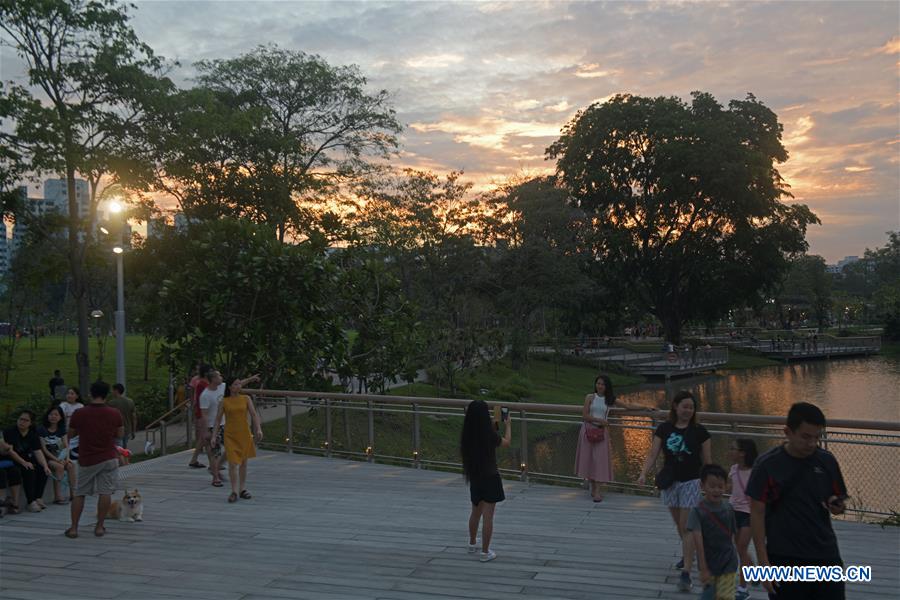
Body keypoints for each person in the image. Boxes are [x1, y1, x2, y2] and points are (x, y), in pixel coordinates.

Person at [746, 402, 848, 599]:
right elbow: (757, 513)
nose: (811, 443)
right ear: (788, 432)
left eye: (817, 437)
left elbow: (836, 501)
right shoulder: (767, 465)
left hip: (825, 554)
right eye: (805, 436)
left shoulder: (827, 461)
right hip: (784, 556)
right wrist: (763, 562)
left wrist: (837, 505)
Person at [637, 390, 712, 593]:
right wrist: (644, 473)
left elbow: (708, 462)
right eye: (684, 406)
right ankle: (689, 554)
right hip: (670, 482)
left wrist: (709, 485)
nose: (688, 410)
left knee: (686, 526)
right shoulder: (664, 428)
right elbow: (653, 454)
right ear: (675, 407)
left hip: (691, 482)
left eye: (691, 407)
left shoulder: (700, 432)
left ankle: (686, 573)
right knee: (679, 525)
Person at [574, 375, 651, 502]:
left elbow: (628, 405)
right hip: (588, 430)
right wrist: (600, 420)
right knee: (589, 460)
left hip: (601, 433)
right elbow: (585, 415)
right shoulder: (590, 397)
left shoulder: (610, 399)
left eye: (602, 384)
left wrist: (645, 407)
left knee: (599, 461)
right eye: (598, 383)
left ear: (607, 386)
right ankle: (593, 488)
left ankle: (598, 490)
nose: (599, 386)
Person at [65, 381, 124, 539]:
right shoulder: (114, 413)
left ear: (91, 393)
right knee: (105, 492)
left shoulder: (80, 413)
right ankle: (99, 527)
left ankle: (74, 528)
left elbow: (71, 434)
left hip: (87, 458)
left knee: (80, 493)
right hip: (109, 457)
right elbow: (119, 434)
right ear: (107, 394)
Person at [460, 399, 511, 563]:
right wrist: (508, 425)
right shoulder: (488, 435)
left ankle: (472, 543)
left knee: (475, 513)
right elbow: (505, 443)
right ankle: (485, 551)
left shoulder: (467, 434)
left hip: (475, 477)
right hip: (491, 477)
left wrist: (495, 424)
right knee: (488, 517)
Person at [687, 464, 739, 600]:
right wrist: (703, 567)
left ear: (726, 486)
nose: (716, 490)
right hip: (709, 564)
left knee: (726, 597)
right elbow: (697, 541)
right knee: (710, 596)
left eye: (720, 486)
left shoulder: (729, 509)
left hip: (729, 561)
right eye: (712, 486)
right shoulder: (697, 511)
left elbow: (733, 537)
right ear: (702, 485)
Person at [212, 375, 262, 503]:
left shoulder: (246, 399)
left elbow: (253, 414)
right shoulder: (224, 401)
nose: (238, 386)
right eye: (235, 384)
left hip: (244, 433)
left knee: (243, 462)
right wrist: (214, 436)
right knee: (233, 463)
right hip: (230, 435)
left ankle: (242, 489)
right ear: (229, 387)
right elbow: (218, 420)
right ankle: (234, 491)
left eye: (239, 384)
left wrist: (258, 429)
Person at [2, 410, 52, 513]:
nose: (22, 422)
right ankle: (30, 501)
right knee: (28, 469)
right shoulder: (10, 432)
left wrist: (45, 465)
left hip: (26, 459)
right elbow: (10, 451)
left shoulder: (32, 434)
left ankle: (38, 497)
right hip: (11, 460)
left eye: (26, 420)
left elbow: (38, 451)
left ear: (31, 423)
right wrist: (23, 462)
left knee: (42, 469)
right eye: (21, 419)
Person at [728, 438, 759, 600]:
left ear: (742, 453)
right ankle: (755, 572)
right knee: (739, 547)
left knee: (741, 547)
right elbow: (731, 489)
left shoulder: (755, 472)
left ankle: (742, 588)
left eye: (733, 449)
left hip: (749, 514)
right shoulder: (733, 469)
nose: (730, 452)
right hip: (734, 512)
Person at [37, 406, 76, 505]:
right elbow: (44, 449)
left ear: (60, 417)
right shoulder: (42, 429)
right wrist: (57, 460)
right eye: (51, 414)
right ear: (47, 416)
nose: (53, 417)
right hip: (48, 458)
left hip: (61, 456)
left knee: (71, 465)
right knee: (59, 467)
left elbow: (66, 446)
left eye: (56, 415)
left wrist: (67, 458)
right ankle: (58, 497)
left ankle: (74, 494)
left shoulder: (62, 429)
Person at [199, 370, 226, 487]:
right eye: (219, 376)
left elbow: (237, 383)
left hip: (223, 424)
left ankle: (216, 468)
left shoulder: (222, 387)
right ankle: (215, 477)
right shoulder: (205, 395)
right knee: (215, 452)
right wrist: (205, 431)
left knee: (230, 448)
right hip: (212, 426)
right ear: (213, 379)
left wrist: (250, 379)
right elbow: (203, 415)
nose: (221, 377)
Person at [188, 364, 211, 469]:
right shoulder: (202, 384)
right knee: (205, 437)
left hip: (204, 413)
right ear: (206, 373)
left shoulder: (205, 383)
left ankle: (195, 460)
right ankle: (214, 463)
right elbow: (202, 399)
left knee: (204, 438)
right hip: (203, 413)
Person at [106, 383, 136, 450]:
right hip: (127, 430)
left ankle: (121, 460)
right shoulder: (130, 401)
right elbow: (134, 418)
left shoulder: (111, 403)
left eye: (113, 390)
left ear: (116, 391)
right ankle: (125, 459)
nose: (112, 392)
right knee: (124, 448)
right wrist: (133, 431)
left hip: (116, 431)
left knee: (118, 450)